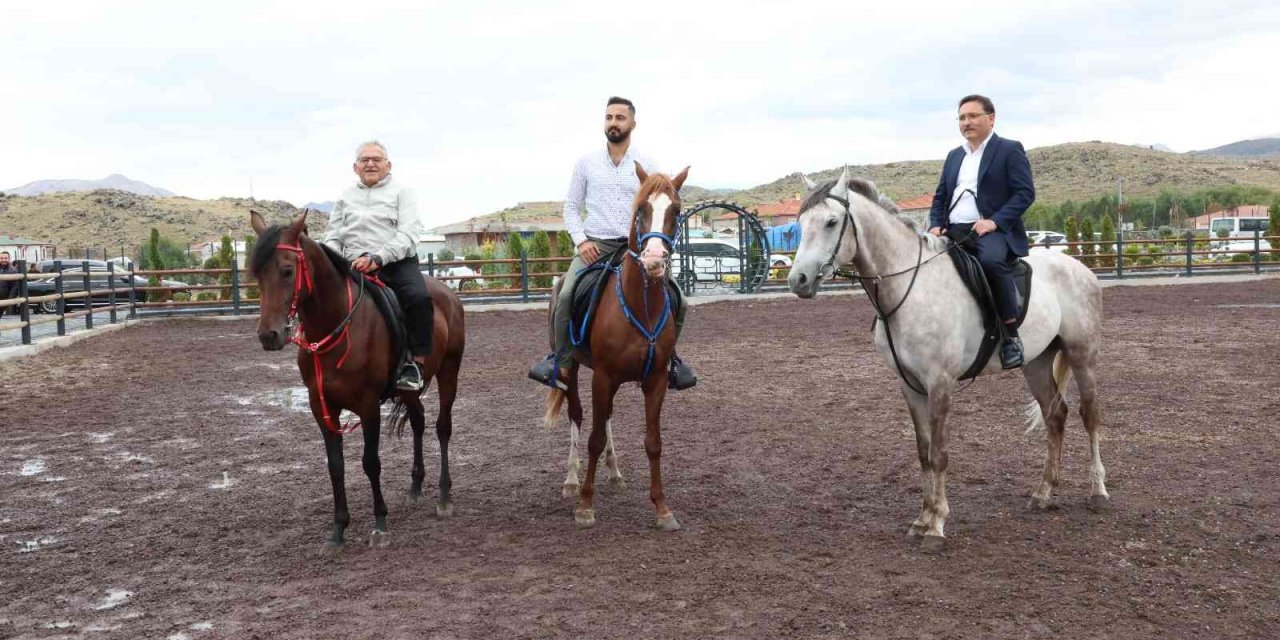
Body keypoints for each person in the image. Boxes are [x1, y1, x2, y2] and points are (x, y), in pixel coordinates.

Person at [527, 96, 696, 391]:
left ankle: (669, 361)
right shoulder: (586, 163)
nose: (613, 123)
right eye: (609, 117)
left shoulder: (648, 163)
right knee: (565, 295)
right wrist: (581, 242)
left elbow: (659, 206)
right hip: (596, 246)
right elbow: (571, 208)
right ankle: (560, 362)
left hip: (635, 248)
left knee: (678, 298)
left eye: (620, 117)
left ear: (633, 123)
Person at [928, 94, 1035, 369]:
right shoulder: (954, 156)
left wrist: (994, 221)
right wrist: (935, 224)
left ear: (991, 118)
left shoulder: (1009, 149)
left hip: (991, 231)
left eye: (973, 116)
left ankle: (1011, 337)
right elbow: (940, 197)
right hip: (952, 231)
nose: (966, 122)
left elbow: (1024, 194)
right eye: (962, 118)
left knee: (991, 263)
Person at [324, 140, 432, 391]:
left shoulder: (403, 193)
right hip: (352, 264)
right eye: (364, 160)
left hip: (395, 263)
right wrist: (334, 258)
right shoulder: (345, 197)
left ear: (388, 165)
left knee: (418, 298)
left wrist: (378, 258)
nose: (370, 164)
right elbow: (333, 235)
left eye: (376, 159)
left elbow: (407, 234)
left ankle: (415, 364)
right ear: (355, 167)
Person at [0, 252, 18, 319]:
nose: (3, 260)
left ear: (9, 259)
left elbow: (14, 288)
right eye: (1, 258)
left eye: (5, 258)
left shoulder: (13, 271)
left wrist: (9, 302)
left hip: (3, 298)